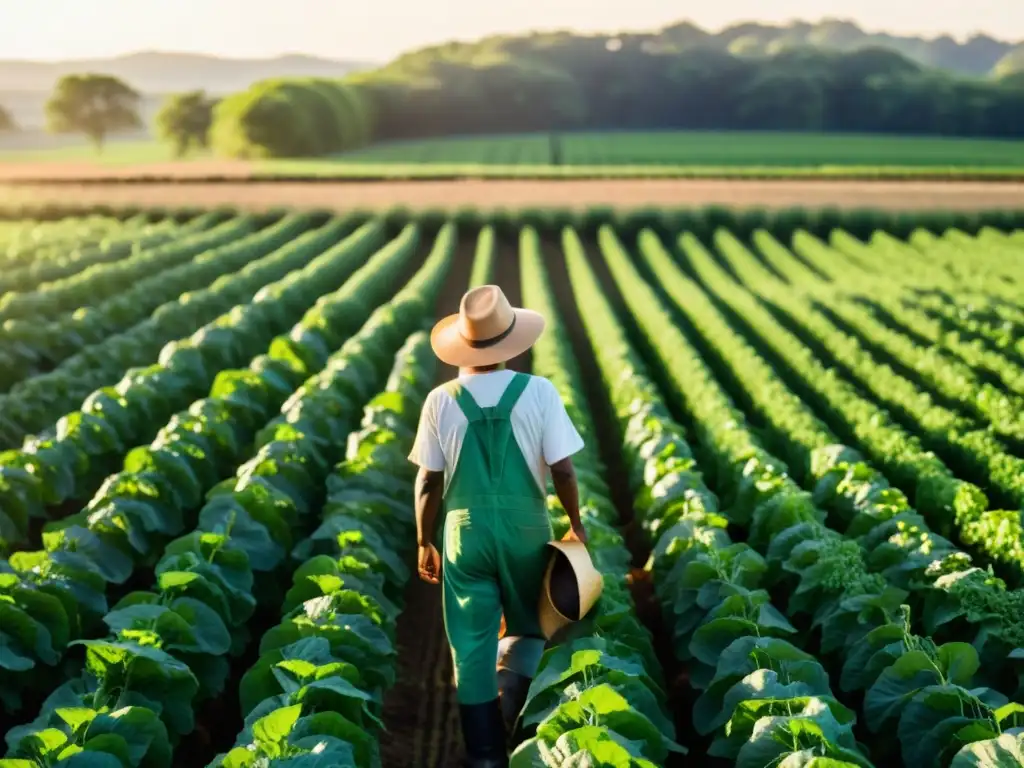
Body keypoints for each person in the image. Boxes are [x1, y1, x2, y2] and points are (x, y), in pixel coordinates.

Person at [409, 284, 588, 768]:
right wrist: (575, 524)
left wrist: (425, 540)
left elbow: (428, 480)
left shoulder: (440, 400)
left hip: (462, 533)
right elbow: (564, 470)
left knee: (470, 643)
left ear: (463, 347)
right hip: (526, 527)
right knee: (530, 628)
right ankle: (517, 720)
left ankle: (485, 756)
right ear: (512, 342)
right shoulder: (539, 392)